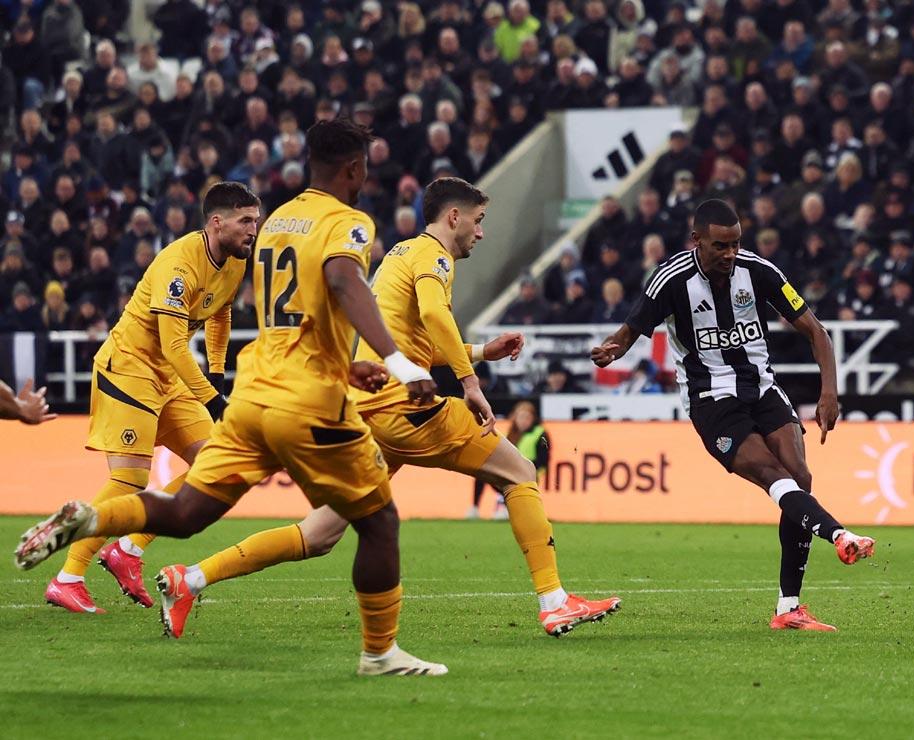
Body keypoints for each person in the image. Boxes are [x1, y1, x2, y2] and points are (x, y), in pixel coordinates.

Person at [16, 120, 445, 678]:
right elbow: (342, 281)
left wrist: (341, 362)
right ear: (355, 168)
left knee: (188, 510)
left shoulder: (275, 226)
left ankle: (93, 520)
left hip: (253, 395)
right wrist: (396, 358)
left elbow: (287, 318)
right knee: (379, 521)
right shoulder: (347, 221)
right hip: (300, 401)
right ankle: (380, 654)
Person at [136, 177, 619, 641]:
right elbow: (433, 314)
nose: (481, 230)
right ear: (454, 217)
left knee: (321, 532)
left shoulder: (399, 255)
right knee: (518, 472)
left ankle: (191, 578)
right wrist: (470, 383)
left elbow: (408, 342)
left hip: (366, 410)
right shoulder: (434, 256)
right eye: (478, 219)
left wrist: (479, 352)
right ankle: (554, 600)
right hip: (404, 408)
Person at [590, 199, 875, 632]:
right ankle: (840, 535)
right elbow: (631, 330)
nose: (730, 254)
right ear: (697, 241)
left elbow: (816, 331)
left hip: (762, 388)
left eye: (736, 244)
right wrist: (614, 348)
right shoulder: (670, 279)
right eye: (721, 245)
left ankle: (789, 609)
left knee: (800, 478)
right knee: (770, 474)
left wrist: (829, 392)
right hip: (711, 400)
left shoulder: (758, 270)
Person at [36, 182, 257, 615]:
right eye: (246, 220)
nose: (255, 228)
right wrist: (214, 400)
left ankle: (128, 550)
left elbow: (221, 312)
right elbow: (174, 346)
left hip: (169, 378)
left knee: (220, 464)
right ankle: (68, 576)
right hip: (130, 368)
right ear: (217, 222)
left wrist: (216, 371)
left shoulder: (233, 261)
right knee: (130, 479)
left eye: (256, 219)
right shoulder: (179, 263)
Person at [469, 400, 549, 520]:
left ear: (533, 418)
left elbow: (544, 460)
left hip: (529, 473)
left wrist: (527, 469)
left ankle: (506, 507)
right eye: (521, 417)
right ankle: (475, 508)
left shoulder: (540, 434)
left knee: (506, 480)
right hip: (510, 470)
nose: (523, 421)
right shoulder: (509, 434)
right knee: (482, 472)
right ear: (515, 417)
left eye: (527, 417)